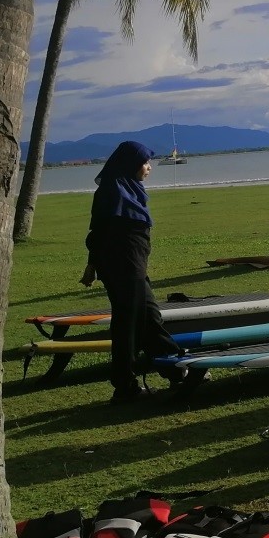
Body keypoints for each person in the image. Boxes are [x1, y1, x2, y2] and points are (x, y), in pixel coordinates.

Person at [83, 140, 181, 402]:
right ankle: (126, 384)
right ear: (129, 165)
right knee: (129, 323)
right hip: (123, 266)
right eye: (144, 163)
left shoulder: (131, 189)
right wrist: (92, 266)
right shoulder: (110, 193)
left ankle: (175, 368)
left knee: (149, 316)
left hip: (133, 264)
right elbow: (98, 232)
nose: (149, 167)